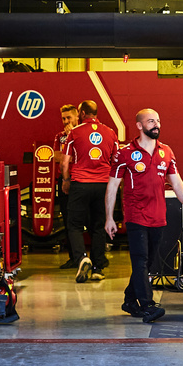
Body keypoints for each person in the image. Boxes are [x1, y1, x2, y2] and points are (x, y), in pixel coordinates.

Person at [103, 109, 183, 323]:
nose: (156, 125)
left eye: (158, 121)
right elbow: (112, 187)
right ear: (139, 125)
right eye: (151, 121)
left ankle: (129, 300)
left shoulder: (166, 151)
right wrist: (109, 217)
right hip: (136, 216)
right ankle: (147, 305)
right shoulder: (125, 153)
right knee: (140, 260)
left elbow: (177, 182)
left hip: (158, 216)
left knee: (149, 263)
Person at [62, 100, 117, 283]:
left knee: (75, 225)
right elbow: (116, 160)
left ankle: (81, 258)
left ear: (83, 113)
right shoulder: (110, 133)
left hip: (80, 184)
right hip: (103, 184)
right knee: (99, 225)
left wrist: (66, 180)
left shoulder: (75, 133)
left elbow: (65, 161)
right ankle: (97, 268)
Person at [54, 104, 81, 269]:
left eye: (68, 118)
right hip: (64, 180)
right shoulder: (59, 136)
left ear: (77, 116)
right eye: (63, 118)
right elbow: (57, 157)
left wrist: (72, 139)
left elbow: (82, 156)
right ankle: (73, 257)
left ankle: (91, 258)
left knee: (85, 219)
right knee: (67, 219)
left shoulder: (83, 134)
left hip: (81, 180)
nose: (65, 121)